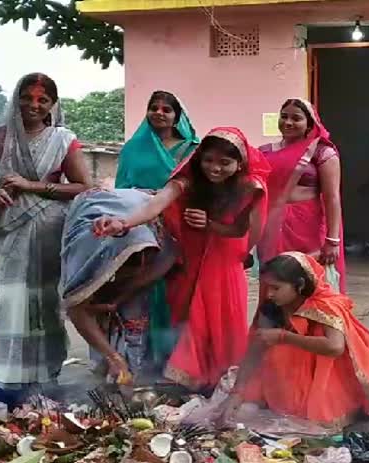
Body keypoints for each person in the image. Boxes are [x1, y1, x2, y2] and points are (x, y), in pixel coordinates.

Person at [94, 127, 270, 391]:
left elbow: (241, 231)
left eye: (225, 163)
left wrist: (211, 225)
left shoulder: (248, 187)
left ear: (240, 163)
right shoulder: (188, 181)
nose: (215, 168)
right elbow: (156, 204)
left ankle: (220, 382)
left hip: (223, 259)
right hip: (189, 256)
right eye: (208, 160)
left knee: (220, 317)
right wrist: (122, 222)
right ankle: (188, 379)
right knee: (186, 313)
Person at [0, 72, 93, 389]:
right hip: (7, 229)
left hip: (48, 230)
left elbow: (83, 187)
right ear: (16, 98)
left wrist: (31, 186)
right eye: (27, 97)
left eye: (42, 100)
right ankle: (7, 370)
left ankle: (45, 371)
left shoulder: (62, 140)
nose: (33, 105)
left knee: (44, 301)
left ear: (53, 104)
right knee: (11, 299)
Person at [220, 252, 369, 426]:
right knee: (247, 403)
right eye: (267, 287)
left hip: (331, 370)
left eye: (276, 288)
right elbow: (255, 349)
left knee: (316, 420)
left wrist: (284, 337)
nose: (269, 294)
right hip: (289, 373)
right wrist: (237, 392)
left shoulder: (325, 305)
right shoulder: (272, 305)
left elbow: (334, 347)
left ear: (299, 285)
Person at [60, 188, 178, 383]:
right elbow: (77, 309)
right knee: (93, 304)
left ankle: (134, 370)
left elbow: (163, 263)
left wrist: (121, 296)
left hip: (135, 214)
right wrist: (112, 356)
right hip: (93, 216)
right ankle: (107, 365)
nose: (136, 271)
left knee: (135, 311)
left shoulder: (157, 242)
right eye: (128, 268)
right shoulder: (87, 256)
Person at [115, 91, 199, 365]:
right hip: (141, 225)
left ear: (177, 116)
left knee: (177, 287)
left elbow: (201, 186)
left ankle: (178, 358)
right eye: (154, 108)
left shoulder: (192, 149)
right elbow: (120, 190)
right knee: (143, 288)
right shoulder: (133, 149)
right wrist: (141, 195)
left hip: (182, 227)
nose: (160, 113)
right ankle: (140, 359)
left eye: (167, 109)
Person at [257, 98, 346, 292]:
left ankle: (308, 324)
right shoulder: (264, 152)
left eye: (296, 118)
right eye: (284, 117)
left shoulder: (321, 152)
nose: (288, 122)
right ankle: (276, 323)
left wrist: (332, 241)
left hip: (308, 226)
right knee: (274, 284)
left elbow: (332, 198)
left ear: (309, 123)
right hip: (272, 226)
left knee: (308, 283)